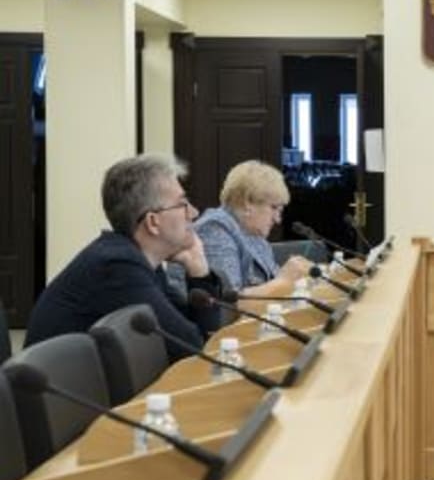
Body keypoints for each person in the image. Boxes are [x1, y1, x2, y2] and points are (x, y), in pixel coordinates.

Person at [25, 154, 222, 361]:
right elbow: (193, 348)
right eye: (182, 204)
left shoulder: (140, 260)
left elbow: (198, 334)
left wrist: (198, 270)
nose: (194, 213)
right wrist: (199, 274)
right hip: (60, 381)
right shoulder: (117, 267)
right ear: (152, 222)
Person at [194, 160, 310, 296]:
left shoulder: (253, 231)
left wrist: (296, 276)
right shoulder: (214, 229)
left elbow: (273, 280)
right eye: (273, 208)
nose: (277, 219)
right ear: (247, 203)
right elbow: (228, 300)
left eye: (280, 210)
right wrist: (283, 281)